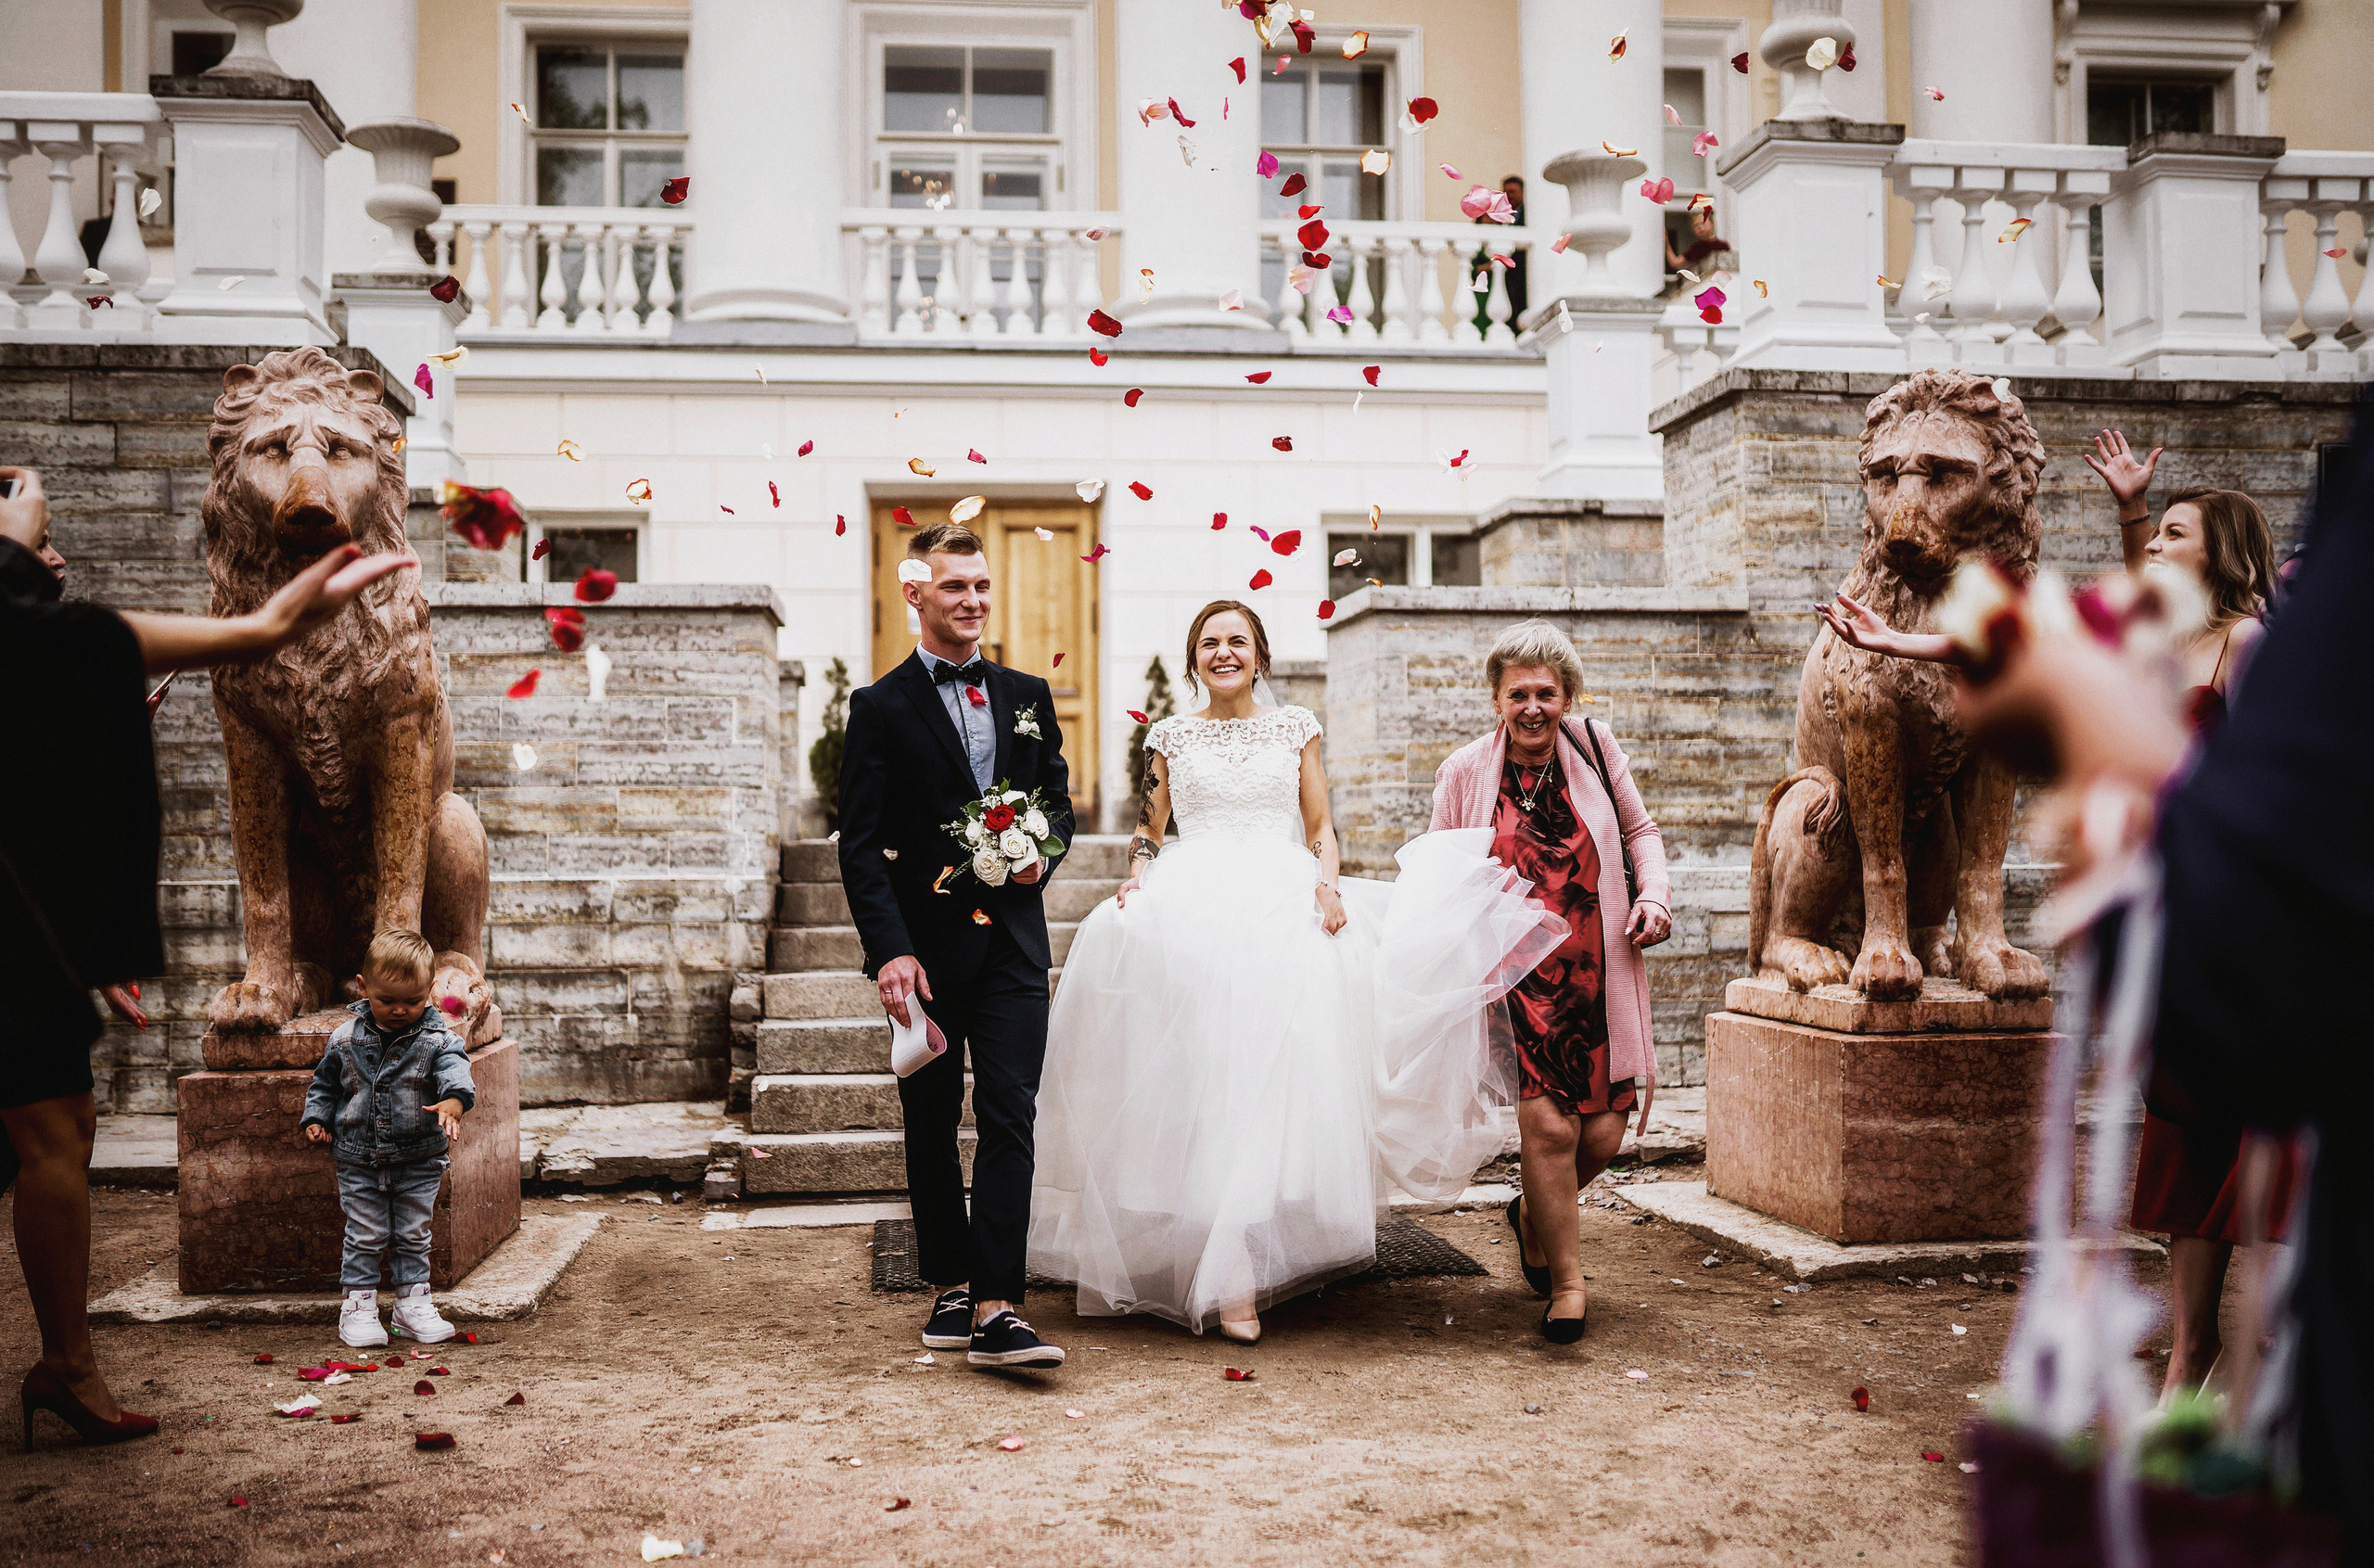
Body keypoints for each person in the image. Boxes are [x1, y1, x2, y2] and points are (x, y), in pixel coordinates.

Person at [1943, 408, 2373, 1555]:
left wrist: (2091, 741)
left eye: (2179, 528)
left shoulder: (2254, 646)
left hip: (2217, 963)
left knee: (2253, 1190)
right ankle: (2192, 1376)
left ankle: (2236, 1395)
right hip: (2210, 990)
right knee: (2188, 1183)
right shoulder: (2180, 632)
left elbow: (2270, 948)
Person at [1823, 434, 2291, 1396]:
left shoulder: (2245, 645)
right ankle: (2190, 1351)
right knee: (2178, 1133)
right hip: (2170, 922)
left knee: (2256, 1138)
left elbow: (2264, 787)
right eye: (2153, 532)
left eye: (2172, 531)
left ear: (2223, 552)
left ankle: (2271, 1361)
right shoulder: (2161, 637)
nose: (2154, 543)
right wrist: (1890, 641)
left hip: (2236, 928)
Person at [0, 464, 408, 1449]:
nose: (53, 559)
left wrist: (276, 618)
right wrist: (13, 548)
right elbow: (65, 641)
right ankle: (68, 1362)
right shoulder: (35, 628)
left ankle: (68, 1359)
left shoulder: (51, 636)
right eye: (37, 555)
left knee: (57, 1123)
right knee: (53, 1131)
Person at [1029, 602, 1564, 1341]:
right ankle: (1227, 1268)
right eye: (1210, 643)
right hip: (1193, 901)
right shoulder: (1170, 737)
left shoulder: (1296, 726)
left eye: (1236, 641)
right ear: (1194, 661)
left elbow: (1320, 827)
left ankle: (1245, 1253)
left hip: (1279, 897)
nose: (1224, 653)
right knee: (1206, 1076)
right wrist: (1136, 876)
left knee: (1268, 1075)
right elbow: (1149, 832)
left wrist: (1327, 883)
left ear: (1260, 656)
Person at [836, 520, 1075, 1372]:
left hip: (1013, 946)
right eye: (953, 588)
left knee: (1011, 1115)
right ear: (916, 593)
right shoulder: (877, 707)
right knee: (931, 1121)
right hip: (925, 955)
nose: (972, 601)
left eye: (980, 586)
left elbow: (1056, 799)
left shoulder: (1026, 694)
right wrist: (889, 952)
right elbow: (859, 845)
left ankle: (1000, 1305)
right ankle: (949, 1281)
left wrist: (1037, 855)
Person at [1427, 621, 1672, 1341]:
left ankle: (1532, 1211)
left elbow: (1641, 833)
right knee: (1548, 1125)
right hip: (1519, 979)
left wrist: (1654, 895)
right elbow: (1444, 869)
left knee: (1601, 1134)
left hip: (1599, 966)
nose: (1533, 707)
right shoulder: (1466, 771)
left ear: (1567, 696)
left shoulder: (1597, 750)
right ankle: (1568, 1283)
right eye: (1518, 694)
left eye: (1546, 693)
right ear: (1497, 699)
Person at [300, 927, 476, 1348]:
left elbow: (456, 1069)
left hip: (419, 1158)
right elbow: (325, 1084)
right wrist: (317, 1116)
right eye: (387, 1000)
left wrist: (454, 1100)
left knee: (414, 1233)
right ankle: (358, 1306)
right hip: (357, 1158)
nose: (400, 1010)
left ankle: (411, 1304)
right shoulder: (345, 1039)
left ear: (430, 991)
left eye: (413, 1001)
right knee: (365, 1233)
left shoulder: (438, 1040)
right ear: (364, 988)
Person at [1663, 203, 1733, 286]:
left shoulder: (1722, 245)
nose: (1700, 228)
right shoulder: (1696, 248)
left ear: (1712, 223)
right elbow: (1675, 262)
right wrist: (1666, 242)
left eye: (1703, 223)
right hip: (1702, 284)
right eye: (1696, 226)